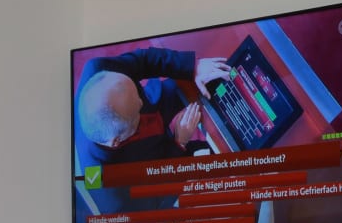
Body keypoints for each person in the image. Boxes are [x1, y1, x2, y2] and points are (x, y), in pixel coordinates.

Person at [73, 47, 232, 174]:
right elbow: (159, 194)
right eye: (137, 110)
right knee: (226, 160)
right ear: (115, 141)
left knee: (211, 79)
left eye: (136, 91)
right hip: (159, 159)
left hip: (157, 103)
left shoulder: (98, 69)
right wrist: (179, 143)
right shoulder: (108, 186)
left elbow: (143, 60)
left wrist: (194, 67)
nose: (141, 101)